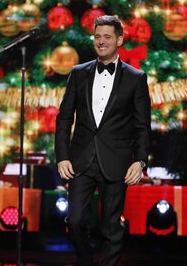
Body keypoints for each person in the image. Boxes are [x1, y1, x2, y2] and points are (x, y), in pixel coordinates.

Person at [55, 15, 151, 266]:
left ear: (119, 39)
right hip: (80, 161)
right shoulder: (78, 73)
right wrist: (62, 156)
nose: (101, 41)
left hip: (116, 161)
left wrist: (140, 161)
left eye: (107, 36)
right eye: (97, 36)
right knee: (75, 222)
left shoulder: (136, 78)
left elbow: (142, 125)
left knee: (111, 227)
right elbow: (64, 118)